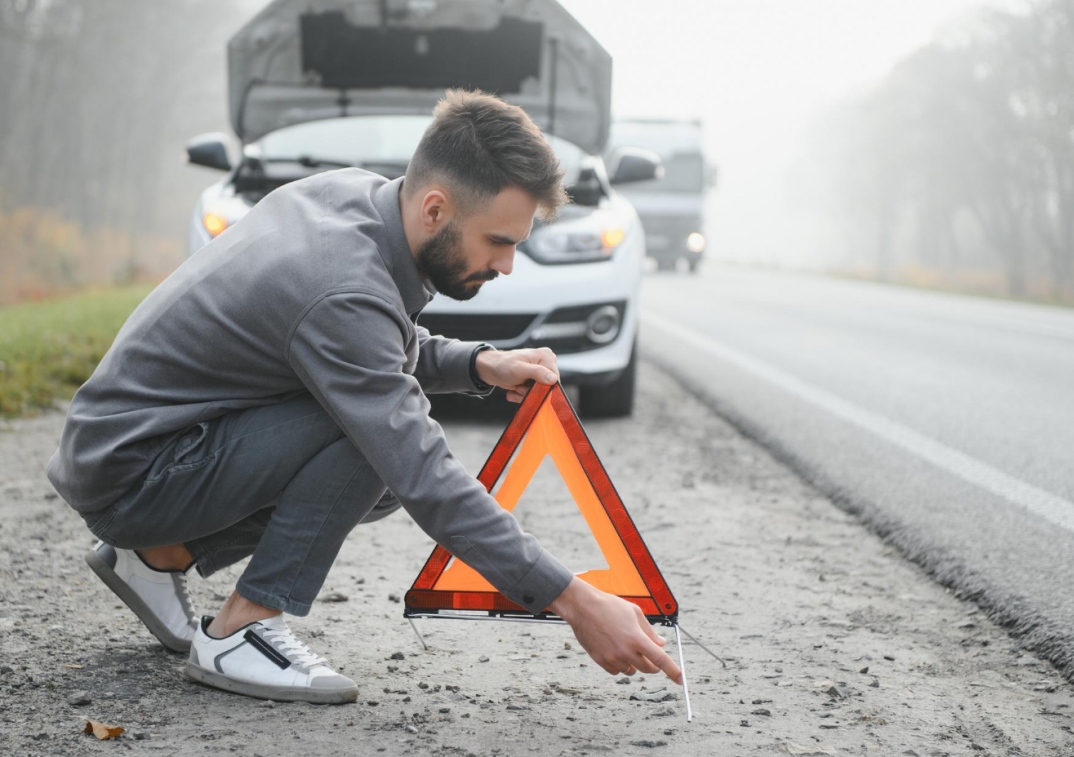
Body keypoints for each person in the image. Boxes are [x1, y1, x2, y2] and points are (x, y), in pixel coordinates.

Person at [46, 90, 681, 704]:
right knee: (375, 445)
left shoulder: (352, 196)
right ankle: (240, 629)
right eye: (498, 241)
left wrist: (479, 363)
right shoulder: (342, 286)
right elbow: (420, 466)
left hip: (134, 448)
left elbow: (371, 344)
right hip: (136, 473)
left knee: (372, 449)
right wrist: (573, 598)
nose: (508, 265)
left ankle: (160, 556)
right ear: (435, 209)